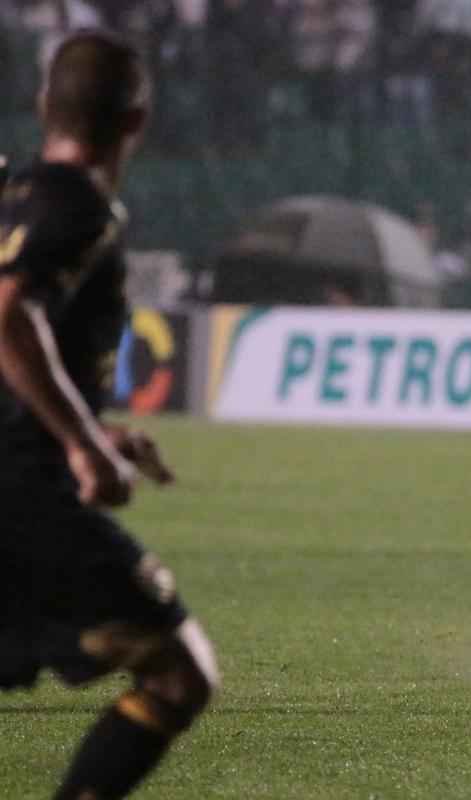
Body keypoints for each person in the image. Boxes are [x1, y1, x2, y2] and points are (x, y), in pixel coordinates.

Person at [0, 30, 219, 798]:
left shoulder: (17, 200)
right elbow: (9, 316)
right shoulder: (78, 207)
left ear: (43, 106)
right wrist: (84, 446)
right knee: (180, 674)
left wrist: (96, 434)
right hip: (26, 501)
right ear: (137, 120)